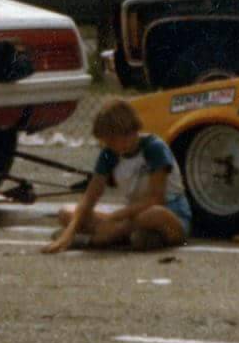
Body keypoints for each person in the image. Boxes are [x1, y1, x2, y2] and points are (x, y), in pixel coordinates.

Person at [43, 99, 192, 253]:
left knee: (152, 214)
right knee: (66, 213)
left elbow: (155, 199)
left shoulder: (154, 148)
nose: (108, 144)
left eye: (111, 140)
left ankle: (97, 240)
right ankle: (136, 237)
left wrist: (114, 218)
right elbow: (90, 196)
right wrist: (69, 232)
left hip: (169, 214)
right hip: (130, 216)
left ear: (127, 132)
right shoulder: (110, 153)